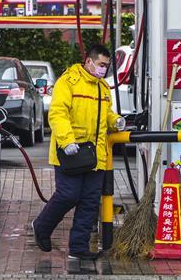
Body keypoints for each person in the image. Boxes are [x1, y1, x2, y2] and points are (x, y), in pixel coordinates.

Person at [32, 44, 125, 260]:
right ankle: (42, 226)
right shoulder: (69, 81)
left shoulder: (103, 87)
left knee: (90, 201)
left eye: (106, 66)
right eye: (101, 64)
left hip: (95, 154)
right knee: (68, 195)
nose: (103, 69)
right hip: (71, 153)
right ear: (89, 61)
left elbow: (105, 114)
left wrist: (116, 121)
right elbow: (57, 113)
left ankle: (78, 248)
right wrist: (67, 140)